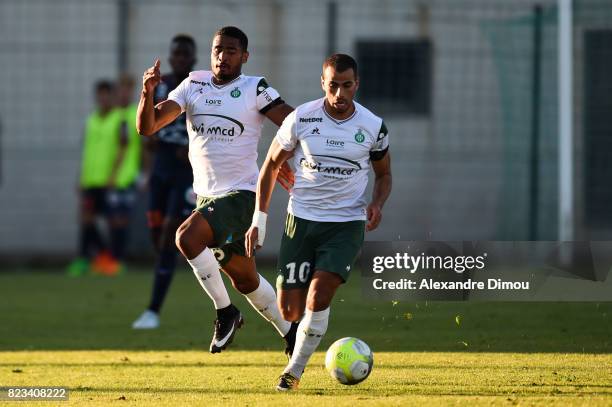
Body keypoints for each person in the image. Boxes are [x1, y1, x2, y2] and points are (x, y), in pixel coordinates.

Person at [136, 26, 297, 354]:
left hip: (242, 195)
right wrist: (147, 92)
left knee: (185, 237)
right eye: (218, 50)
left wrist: (283, 159)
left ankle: (226, 312)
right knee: (245, 280)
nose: (223, 57)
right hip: (208, 197)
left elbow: (293, 121)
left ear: (245, 56)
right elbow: (147, 126)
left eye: (231, 51)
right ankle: (291, 333)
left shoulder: (255, 88)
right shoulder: (193, 83)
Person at [245, 54, 392, 391]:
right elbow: (269, 166)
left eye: (347, 85)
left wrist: (377, 203)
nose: (340, 94)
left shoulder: (372, 126)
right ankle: (303, 337)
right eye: (333, 85)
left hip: (345, 223)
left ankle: (293, 371)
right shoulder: (301, 118)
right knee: (290, 307)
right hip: (302, 222)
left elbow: (384, 174)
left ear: (357, 84)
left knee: (319, 293)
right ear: (323, 83)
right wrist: (259, 220)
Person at [132, 34, 198, 329]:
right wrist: (147, 171)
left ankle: (152, 311)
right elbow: (147, 133)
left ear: (193, 58)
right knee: (157, 237)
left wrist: (194, 151)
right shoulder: (160, 85)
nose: (181, 58)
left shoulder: (199, 85)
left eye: (186, 54)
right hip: (160, 169)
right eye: (177, 54)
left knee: (170, 235)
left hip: (186, 173)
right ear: (171, 57)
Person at [67, 79, 141, 277]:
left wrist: (114, 175)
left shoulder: (121, 119)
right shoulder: (91, 119)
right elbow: (87, 150)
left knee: (115, 221)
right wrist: (80, 177)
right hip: (90, 179)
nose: (103, 98)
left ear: (112, 96)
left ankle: (111, 260)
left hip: (108, 181)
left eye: (106, 94)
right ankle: (95, 257)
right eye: (100, 95)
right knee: (85, 219)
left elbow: (123, 148)